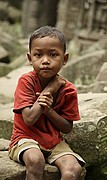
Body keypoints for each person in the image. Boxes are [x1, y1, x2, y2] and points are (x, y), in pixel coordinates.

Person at [9, 26, 86, 180]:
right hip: (25, 138)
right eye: (38, 55)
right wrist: (51, 88)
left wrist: (49, 111)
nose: (45, 61)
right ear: (30, 58)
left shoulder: (68, 90)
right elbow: (29, 119)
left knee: (73, 170)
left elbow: (67, 127)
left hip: (54, 143)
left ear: (64, 59)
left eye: (53, 54)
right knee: (35, 160)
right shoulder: (26, 82)